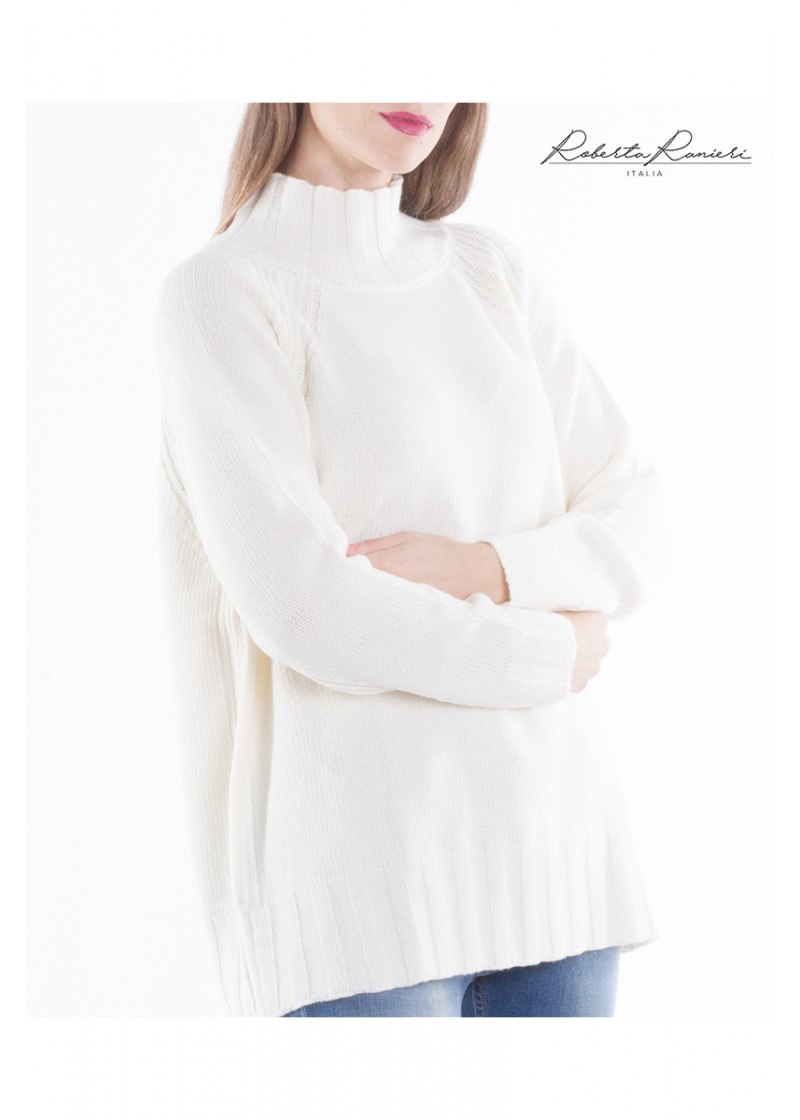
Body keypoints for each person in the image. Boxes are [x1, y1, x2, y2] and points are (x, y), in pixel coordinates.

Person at [153, 103, 662, 1018]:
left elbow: (638, 514)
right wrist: (550, 651)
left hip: (561, 856)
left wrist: (482, 566)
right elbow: (307, 610)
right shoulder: (222, 292)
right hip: (362, 893)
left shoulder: (490, 271)